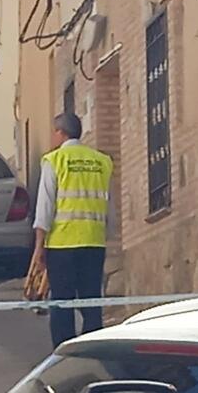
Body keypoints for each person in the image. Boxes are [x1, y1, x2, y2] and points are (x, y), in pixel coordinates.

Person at [31, 112, 114, 349]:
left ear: (61, 132)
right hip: (94, 243)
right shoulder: (102, 161)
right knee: (91, 303)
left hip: (62, 244)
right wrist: (106, 236)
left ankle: (63, 352)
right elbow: (110, 207)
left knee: (62, 304)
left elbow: (45, 208)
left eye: (53, 132)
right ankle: (93, 350)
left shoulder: (54, 160)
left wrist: (39, 248)